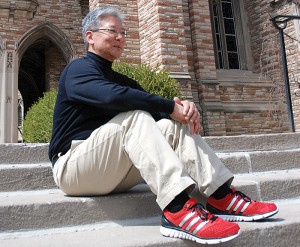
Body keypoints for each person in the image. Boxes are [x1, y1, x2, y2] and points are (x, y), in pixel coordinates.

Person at [49, 6, 278, 245]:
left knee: (170, 126)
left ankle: (221, 196)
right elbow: (111, 97)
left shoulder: (123, 81)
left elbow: (158, 111)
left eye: (123, 32)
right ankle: (177, 209)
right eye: (112, 31)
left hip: (111, 171)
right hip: (72, 168)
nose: (120, 37)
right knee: (136, 117)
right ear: (90, 36)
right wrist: (169, 106)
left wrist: (184, 109)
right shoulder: (78, 69)